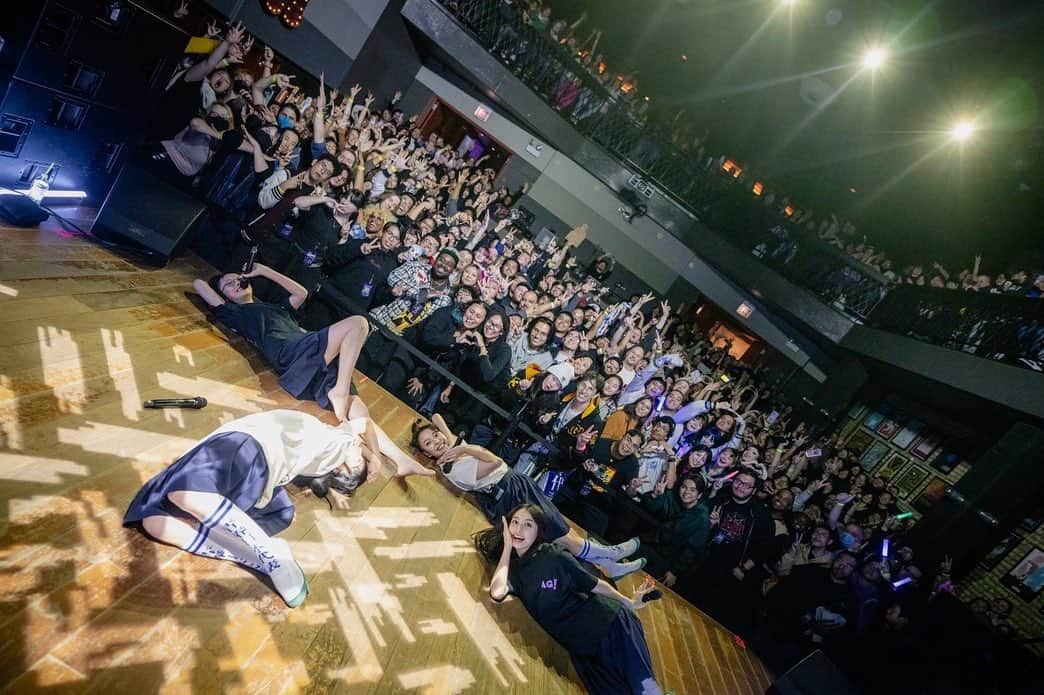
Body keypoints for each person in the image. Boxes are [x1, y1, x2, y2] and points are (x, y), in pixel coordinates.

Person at [124, 409, 428, 607]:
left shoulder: (335, 451)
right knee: (156, 520)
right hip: (249, 446)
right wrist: (374, 455)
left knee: (163, 517)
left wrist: (362, 461)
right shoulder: (340, 440)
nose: (359, 462)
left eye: (356, 468)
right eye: (360, 465)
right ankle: (268, 555)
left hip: (257, 471)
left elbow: (356, 438)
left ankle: (265, 556)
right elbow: (365, 422)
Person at [413, 416, 644, 579]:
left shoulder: (451, 452)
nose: (438, 441)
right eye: (430, 444)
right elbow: (494, 462)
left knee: (561, 528)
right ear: (427, 453)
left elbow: (437, 417)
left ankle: (608, 565)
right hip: (509, 494)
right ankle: (609, 554)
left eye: (436, 435)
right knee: (558, 533)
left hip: (515, 485)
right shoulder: (454, 467)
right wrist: (463, 449)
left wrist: (445, 439)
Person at [474, 505, 663, 695]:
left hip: (609, 623)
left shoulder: (553, 555)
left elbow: (593, 584)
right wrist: (507, 548)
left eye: (528, 525)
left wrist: (628, 602)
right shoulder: (513, 571)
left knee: (647, 690)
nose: (519, 529)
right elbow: (497, 592)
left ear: (538, 532)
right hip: (583, 649)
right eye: (515, 522)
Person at [192, 263, 363, 422]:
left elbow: (301, 293)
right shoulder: (236, 313)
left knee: (356, 405)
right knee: (358, 323)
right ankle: (340, 389)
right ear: (224, 297)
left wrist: (263, 271)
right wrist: (222, 287)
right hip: (291, 352)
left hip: (309, 352)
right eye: (229, 284)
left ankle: (375, 455)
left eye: (238, 279)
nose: (236, 283)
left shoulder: (276, 308)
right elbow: (199, 283)